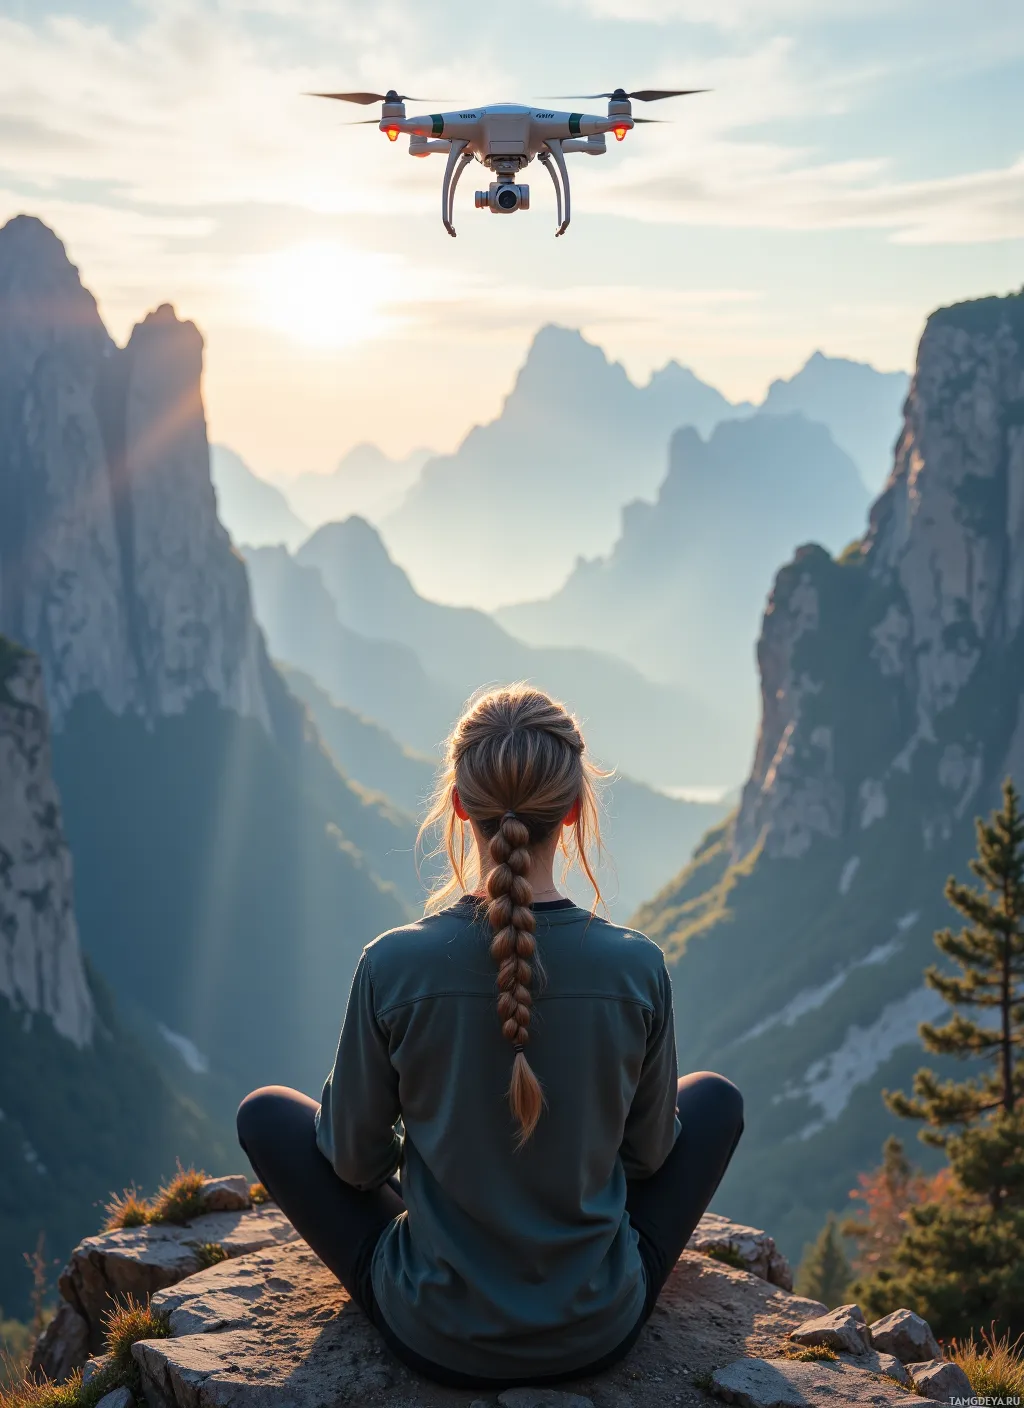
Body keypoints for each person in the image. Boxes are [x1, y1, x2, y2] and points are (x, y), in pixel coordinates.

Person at [237, 684, 744, 1390]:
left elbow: (352, 1163)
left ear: (456, 806)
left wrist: (449, 1170)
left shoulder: (392, 964)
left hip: (436, 1331)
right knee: (715, 1100)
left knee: (266, 1113)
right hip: (598, 1328)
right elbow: (651, 1158)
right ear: (573, 811)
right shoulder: (636, 966)